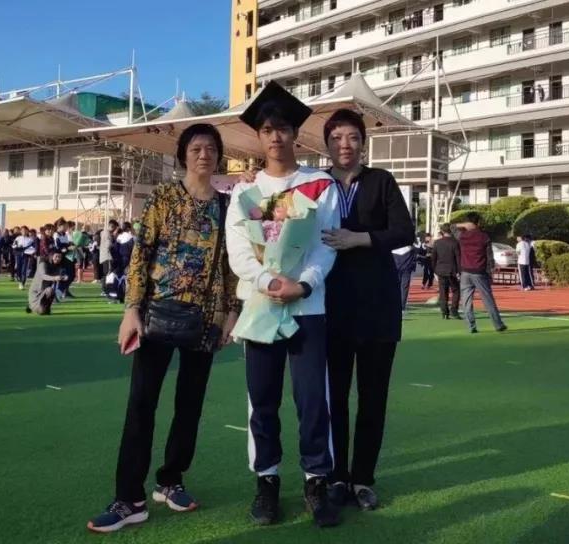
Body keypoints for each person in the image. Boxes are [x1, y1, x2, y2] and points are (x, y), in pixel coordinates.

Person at [87, 124, 241, 534]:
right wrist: (131, 310)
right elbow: (141, 255)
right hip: (157, 313)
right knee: (141, 404)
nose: (204, 154)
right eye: (196, 148)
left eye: (211, 148)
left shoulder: (228, 207)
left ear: (219, 155)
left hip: (206, 319)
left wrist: (231, 313)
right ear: (183, 155)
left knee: (190, 405)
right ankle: (129, 498)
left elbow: (232, 265)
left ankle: (171, 480)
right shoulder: (163, 197)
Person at [225, 82, 342, 528]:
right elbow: (238, 251)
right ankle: (267, 482)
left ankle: (316, 481)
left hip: (308, 307)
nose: (276, 137)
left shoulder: (320, 185)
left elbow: (326, 244)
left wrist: (304, 285)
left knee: (313, 398)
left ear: (295, 133)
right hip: (261, 307)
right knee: (262, 399)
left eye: (283, 129)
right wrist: (269, 281)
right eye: (267, 129)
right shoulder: (244, 192)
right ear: (259, 136)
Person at [316, 109, 415, 512]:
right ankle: (337, 476)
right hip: (330, 308)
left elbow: (404, 231)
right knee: (334, 399)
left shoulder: (381, 181)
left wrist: (358, 238)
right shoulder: (316, 184)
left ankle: (363, 479)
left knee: (373, 399)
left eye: (353, 137)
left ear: (363, 143)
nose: (345, 145)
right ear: (327, 144)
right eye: (337, 138)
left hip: (377, 308)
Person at [455, 211, 506, 333]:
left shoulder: (462, 235)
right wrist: (491, 270)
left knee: (466, 301)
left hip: (465, 271)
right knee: (488, 299)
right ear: (478, 222)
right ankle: (498, 324)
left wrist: (463, 225)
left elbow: (451, 227)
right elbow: (489, 256)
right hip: (479, 271)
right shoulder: (484, 236)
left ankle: (471, 326)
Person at [431, 223, 461, 319]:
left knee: (443, 291)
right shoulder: (455, 242)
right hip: (452, 270)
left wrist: (434, 269)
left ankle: (444, 312)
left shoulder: (437, 243)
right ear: (451, 231)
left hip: (440, 270)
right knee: (456, 290)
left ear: (442, 231)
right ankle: (454, 310)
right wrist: (459, 271)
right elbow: (458, 258)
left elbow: (433, 258)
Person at [26, 250, 69, 315]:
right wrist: (55, 278)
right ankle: (32, 306)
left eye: (60, 257)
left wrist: (63, 277)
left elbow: (58, 277)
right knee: (49, 291)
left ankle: (45, 308)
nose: (58, 259)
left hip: (44, 292)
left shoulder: (58, 266)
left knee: (50, 291)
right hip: (36, 293)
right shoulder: (43, 263)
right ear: (51, 256)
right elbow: (43, 276)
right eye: (56, 256)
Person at [392, 245, 416, 316]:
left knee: (396, 288)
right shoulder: (410, 248)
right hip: (406, 268)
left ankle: (395, 306)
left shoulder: (393, 249)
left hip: (397, 268)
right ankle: (402, 308)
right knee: (404, 288)